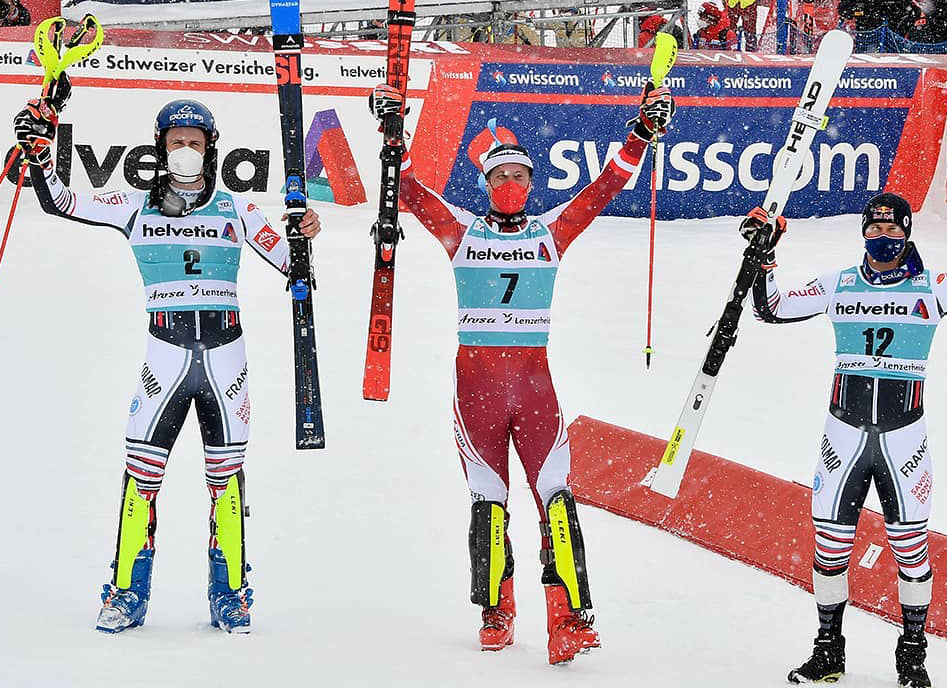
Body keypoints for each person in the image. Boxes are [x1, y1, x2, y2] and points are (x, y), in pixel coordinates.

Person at [368, 82, 674, 664]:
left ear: (531, 185)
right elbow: (407, 190)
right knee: (488, 502)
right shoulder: (462, 232)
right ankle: (497, 610)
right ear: (485, 184)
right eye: (499, 176)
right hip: (476, 392)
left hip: (536, 392)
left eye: (518, 176)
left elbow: (604, 188)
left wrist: (642, 131)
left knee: (556, 500)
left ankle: (569, 618)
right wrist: (392, 133)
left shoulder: (550, 233)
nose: (509, 185)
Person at [13, 91, 322, 634]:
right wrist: (40, 155)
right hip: (165, 356)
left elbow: (294, 268)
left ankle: (230, 594)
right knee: (142, 472)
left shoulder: (238, 208)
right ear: (161, 147)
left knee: (226, 477)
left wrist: (304, 234)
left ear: (210, 150)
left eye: (195, 143)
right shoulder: (136, 205)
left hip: (227, 360)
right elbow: (61, 201)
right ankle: (128, 592)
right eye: (176, 142)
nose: (186, 150)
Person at [743, 192, 947, 687]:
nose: (882, 239)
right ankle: (829, 650)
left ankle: (912, 657)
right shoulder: (840, 285)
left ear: (907, 232)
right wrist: (764, 258)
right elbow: (770, 309)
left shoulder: (932, 286)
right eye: (873, 231)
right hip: (843, 440)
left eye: (892, 231)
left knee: (911, 554)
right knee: (829, 550)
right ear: (862, 233)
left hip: (904, 443)